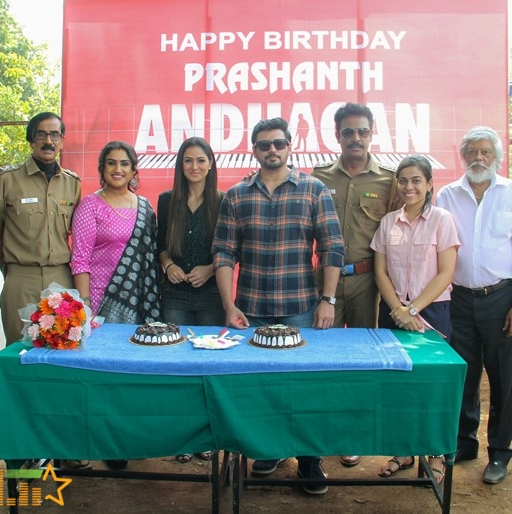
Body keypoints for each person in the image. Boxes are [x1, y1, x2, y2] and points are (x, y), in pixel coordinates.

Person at [212, 117, 345, 495]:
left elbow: (332, 247)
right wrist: (228, 304)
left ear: (290, 147)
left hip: (302, 310)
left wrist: (327, 300)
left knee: (305, 386)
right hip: (251, 311)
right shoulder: (236, 196)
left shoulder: (314, 190)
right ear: (253, 150)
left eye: (279, 143)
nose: (272, 150)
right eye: (264, 144)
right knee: (259, 386)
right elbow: (223, 253)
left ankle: (309, 460)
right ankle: (269, 448)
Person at [436, 126, 512, 485]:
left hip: (501, 299)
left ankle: (499, 453)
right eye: (472, 152)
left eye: (485, 152)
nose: (478, 158)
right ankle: (465, 443)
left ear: (496, 157)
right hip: (460, 299)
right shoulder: (447, 196)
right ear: (462, 157)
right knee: (464, 375)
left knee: (502, 379)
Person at [311, 102, 397, 467]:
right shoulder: (317, 178)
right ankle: (320, 431)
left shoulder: (389, 181)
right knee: (321, 359)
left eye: (362, 131)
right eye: (348, 132)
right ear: (337, 136)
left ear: (372, 133)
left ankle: (352, 433)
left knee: (362, 360)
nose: (356, 138)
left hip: (366, 281)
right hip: (322, 282)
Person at [371, 155, 460, 481]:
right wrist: (397, 309)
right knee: (399, 383)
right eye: (404, 180)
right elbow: (380, 271)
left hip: (432, 311)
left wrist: (412, 310)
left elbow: (446, 272)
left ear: (429, 184)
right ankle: (404, 451)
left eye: (416, 180)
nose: (409, 187)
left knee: (431, 385)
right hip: (393, 311)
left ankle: (435, 455)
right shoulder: (388, 222)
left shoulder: (442, 219)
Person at [0, 111, 82, 345]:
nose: (48, 141)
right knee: (19, 348)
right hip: (20, 276)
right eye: (41, 134)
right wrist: (9, 270)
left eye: (54, 135)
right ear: (31, 139)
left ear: (62, 141)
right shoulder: (7, 179)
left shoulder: (73, 183)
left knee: (61, 346)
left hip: (61, 277)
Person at [71, 141, 161, 325]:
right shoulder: (90, 206)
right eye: (111, 163)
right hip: (101, 298)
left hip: (141, 299)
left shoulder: (145, 206)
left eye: (124, 163)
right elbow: (80, 260)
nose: (117, 169)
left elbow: (152, 256)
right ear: (102, 168)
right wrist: (85, 305)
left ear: (133, 170)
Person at [157, 137, 225, 331]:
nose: (194, 166)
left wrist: (210, 269)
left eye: (201, 160)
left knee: (209, 351)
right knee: (175, 350)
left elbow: (232, 249)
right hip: (174, 293)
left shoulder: (224, 202)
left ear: (210, 164)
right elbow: (160, 244)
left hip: (211, 293)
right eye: (188, 160)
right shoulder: (166, 200)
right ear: (181, 165)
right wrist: (169, 265)